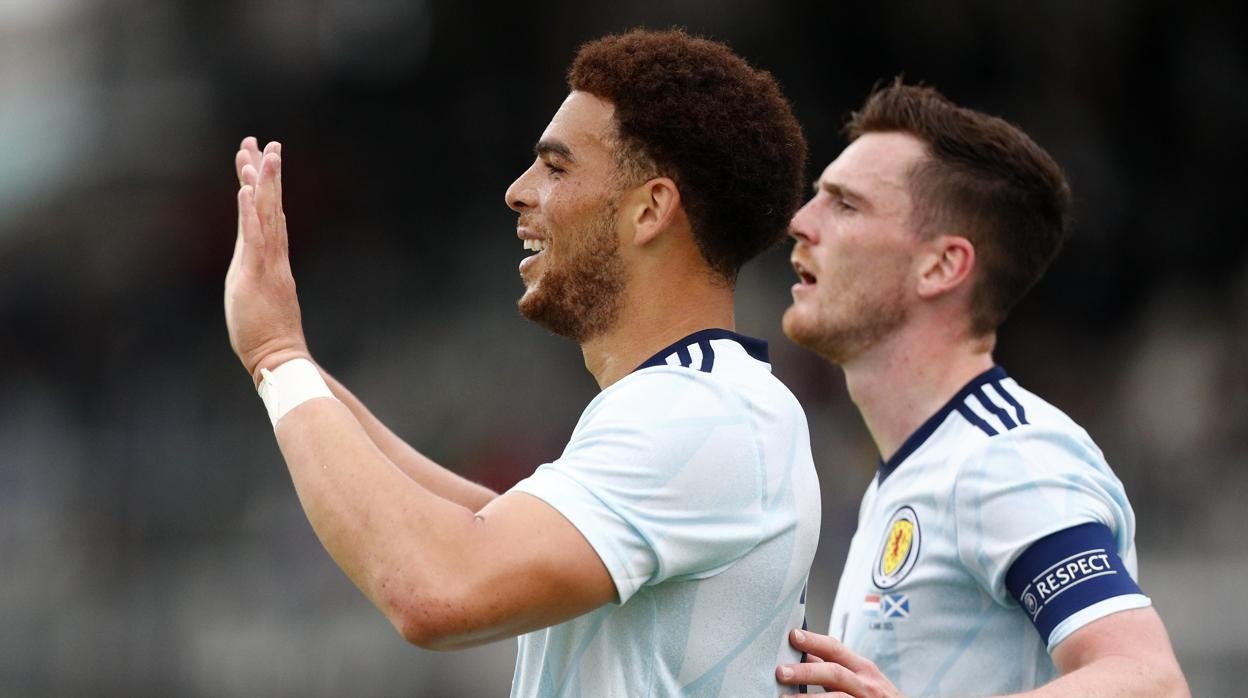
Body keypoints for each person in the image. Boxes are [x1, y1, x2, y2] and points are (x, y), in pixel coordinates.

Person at [224, 29, 821, 696]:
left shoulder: (699, 413)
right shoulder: (709, 402)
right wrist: (289, 355)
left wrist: (274, 356)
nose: (517, 191)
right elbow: (492, 522)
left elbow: (438, 587)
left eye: (556, 167)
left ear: (650, 209)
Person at [773, 81, 1189, 697]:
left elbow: (1149, 682)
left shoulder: (1007, 457)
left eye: (845, 204)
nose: (799, 222)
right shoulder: (920, 469)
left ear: (942, 266)